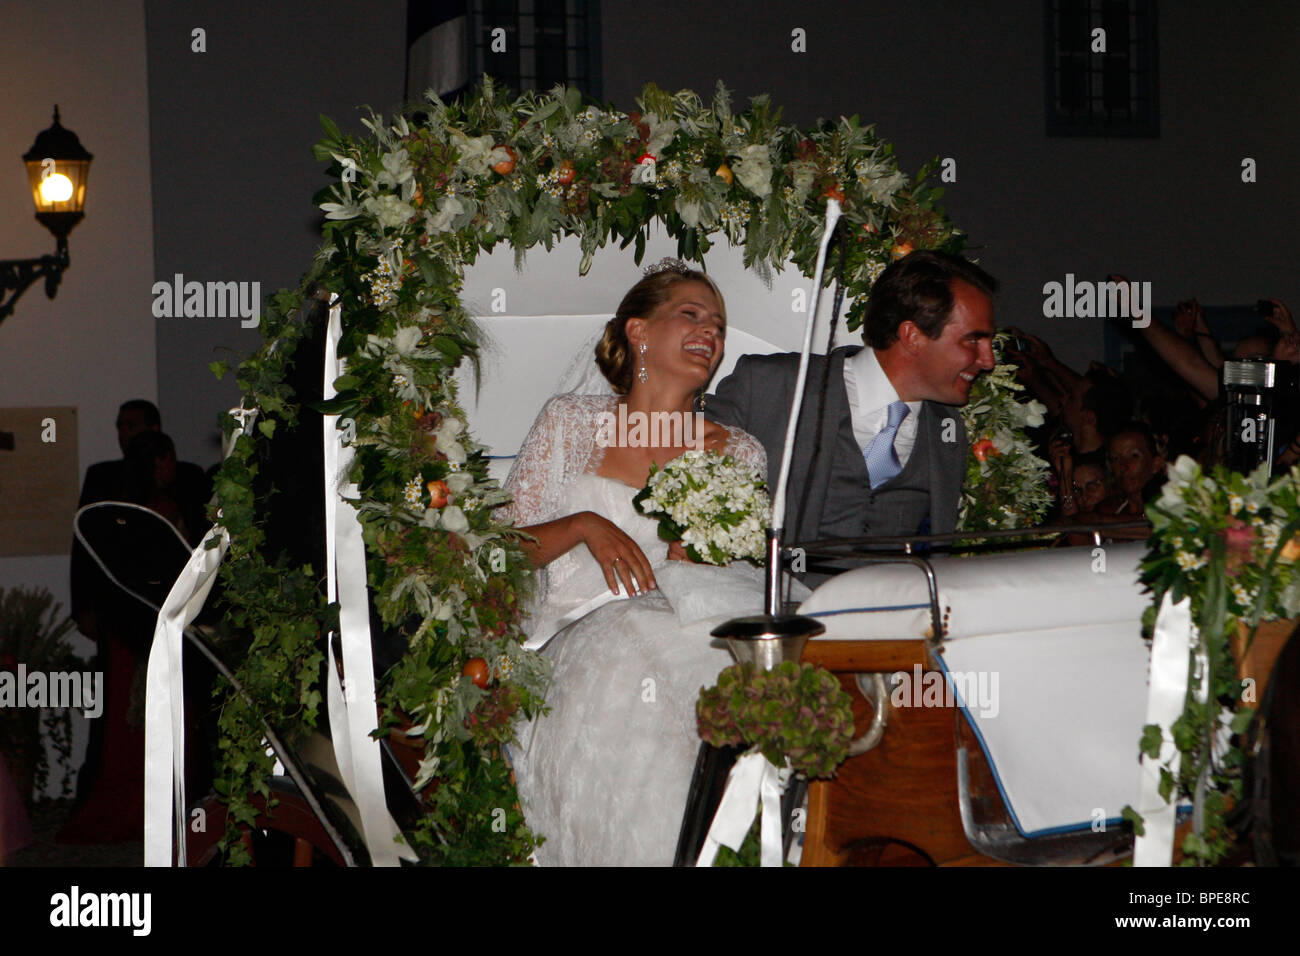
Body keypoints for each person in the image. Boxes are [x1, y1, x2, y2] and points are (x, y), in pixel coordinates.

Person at [501, 260, 779, 866]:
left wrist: (704, 558)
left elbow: (747, 575)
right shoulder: (571, 423)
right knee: (630, 632)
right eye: (691, 314)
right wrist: (583, 527)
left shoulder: (740, 451)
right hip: (573, 630)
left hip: (690, 626)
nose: (712, 332)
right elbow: (503, 556)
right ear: (638, 330)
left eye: (720, 324)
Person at [708, 249, 996, 545]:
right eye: (973, 339)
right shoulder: (767, 384)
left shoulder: (947, 433)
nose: (988, 361)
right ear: (912, 336)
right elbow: (679, 479)